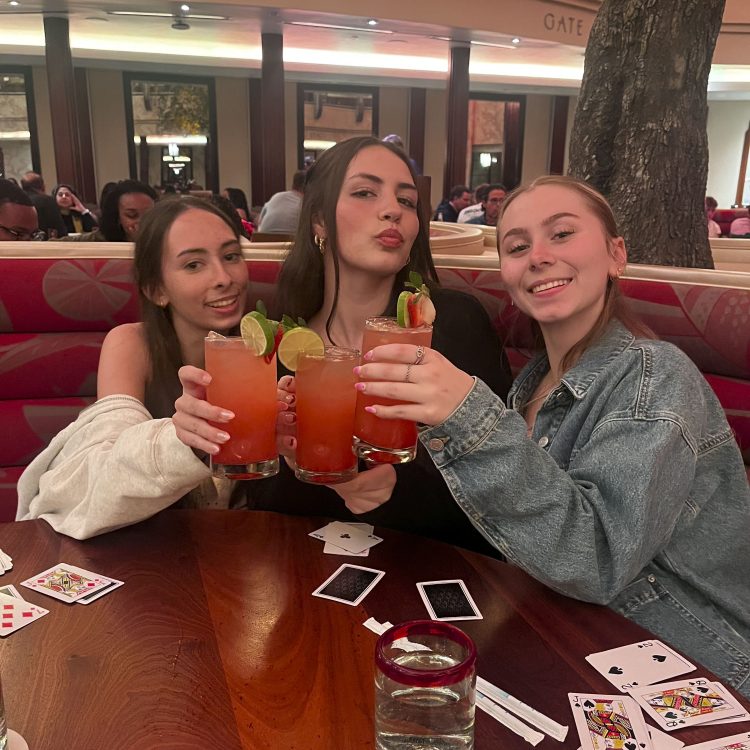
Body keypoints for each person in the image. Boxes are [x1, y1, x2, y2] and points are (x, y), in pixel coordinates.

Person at [355, 174, 750, 696]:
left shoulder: (655, 375)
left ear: (616, 254)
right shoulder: (531, 384)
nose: (538, 256)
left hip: (699, 669)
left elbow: (597, 560)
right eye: (517, 247)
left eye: (561, 234)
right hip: (564, 643)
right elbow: (516, 528)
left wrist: (468, 414)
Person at [174, 136, 512, 555]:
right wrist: (205, 433)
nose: (392, 210)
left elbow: (503, 484)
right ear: (319, 220)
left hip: (436, 574)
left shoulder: (451, 324)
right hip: (293, 574)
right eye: (365, 193)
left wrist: (399, 486)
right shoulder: (280, 345)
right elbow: (263, 504)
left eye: (407, 201)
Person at [16, 197, 266, 539]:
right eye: (194, 265)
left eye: (231, 256)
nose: (224, 278)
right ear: (156, 290)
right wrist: (183, 439)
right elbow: (104, 466)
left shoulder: (263, 343)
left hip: (246, 542)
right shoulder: (132, 344)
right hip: (151, 545)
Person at [62, 180, 157, 242]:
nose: (141, 221)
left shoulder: (163, 240)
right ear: (117, 217)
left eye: (149, 215)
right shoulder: (100, 239)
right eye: (132, 215)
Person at [20, 171, 66, 238]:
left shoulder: (15, 201)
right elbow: (59, 229)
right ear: (43, 186)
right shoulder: (47, 201)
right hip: (43, 241)